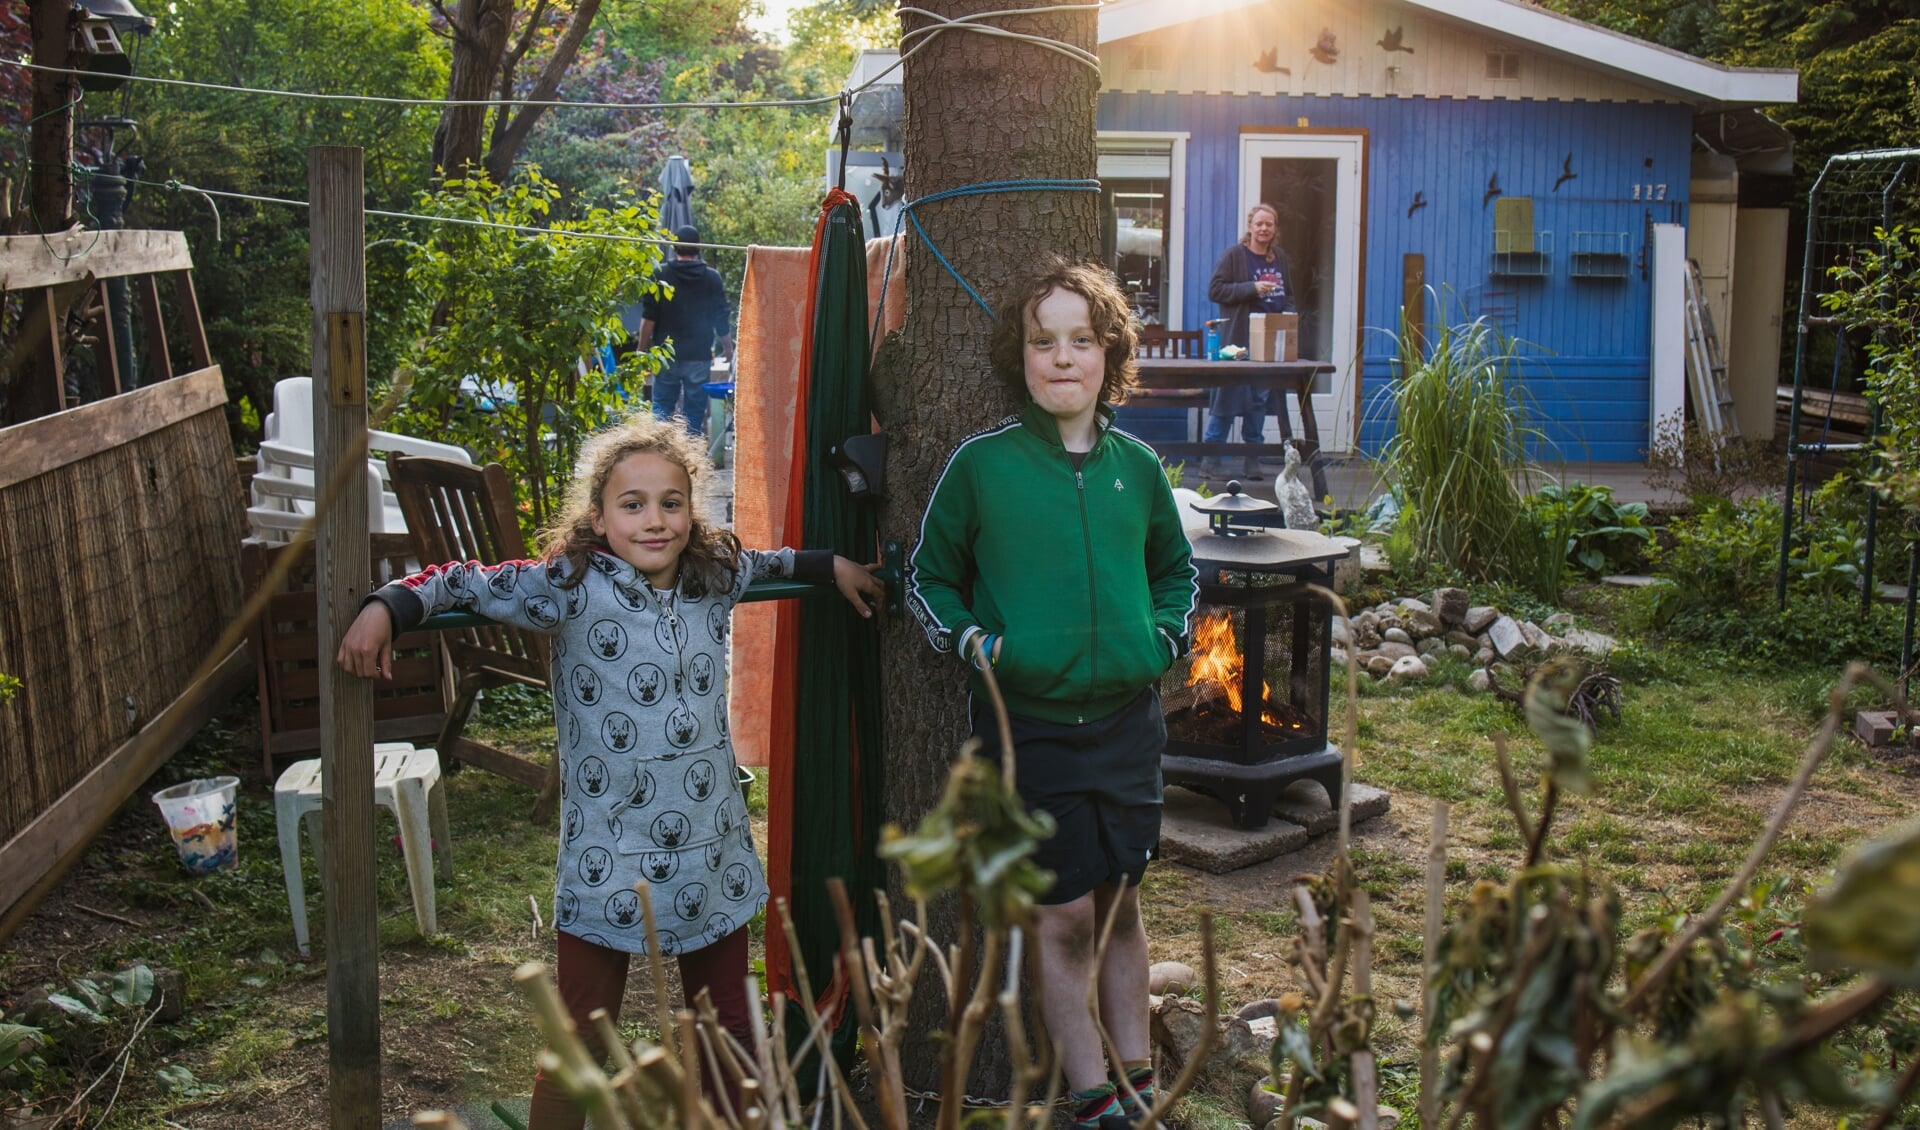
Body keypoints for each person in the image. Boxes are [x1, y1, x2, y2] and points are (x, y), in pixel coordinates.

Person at [336, 415, 882, 1130]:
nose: (655, 520)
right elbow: (465, 583)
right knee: (582, 1043)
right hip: (609, 860)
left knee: (731, 1039)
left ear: (692, 510)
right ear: (598, 516)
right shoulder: (569, 585)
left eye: (672, 502)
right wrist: (387, 608)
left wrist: (831, 567)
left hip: (708, 855)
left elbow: (774, 564)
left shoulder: (712, 576)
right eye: (633, 504)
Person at [907, 256, 1198, 1130]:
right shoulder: (982, 468)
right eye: (1044, 342)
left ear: (1109, 355)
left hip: (1127, 723)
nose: (1062, 358)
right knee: (1063, 914)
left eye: (1082, 340)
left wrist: (1163, 638)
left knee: (1120, 902)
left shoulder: (1137, 468)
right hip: (1027, 728)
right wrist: (981, 645)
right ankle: (1091, 1090)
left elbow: (1174, 572)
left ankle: (1140, 1076)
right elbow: (931, 577)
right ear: (1021, 357)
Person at [1203, 202, 1297, 479]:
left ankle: (1252, 460)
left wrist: (1288, 318)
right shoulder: (1235, 255)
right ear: (1250, 226)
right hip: (1238, 341)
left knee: (1259, 398)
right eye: (1259, 224)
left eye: (1269, 224)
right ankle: (1211, 458)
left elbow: (1288, 293)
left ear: (1275, 228)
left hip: (1269, 344)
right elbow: (1215, 289)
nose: (1264, 228)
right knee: (1228, 396)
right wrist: (1252, 288)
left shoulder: (1279, 258)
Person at [637, 224, 733, 439]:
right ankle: (689, 463)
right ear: (698, 247)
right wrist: (727, 346)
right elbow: (720, 316)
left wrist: (641, 350)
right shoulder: (711, 278)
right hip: (698, 357)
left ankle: (660, 455)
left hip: (666, 355)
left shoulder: (660, 274)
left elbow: (648, 318)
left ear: (674, 247)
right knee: (694, 415)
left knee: (662, 409)